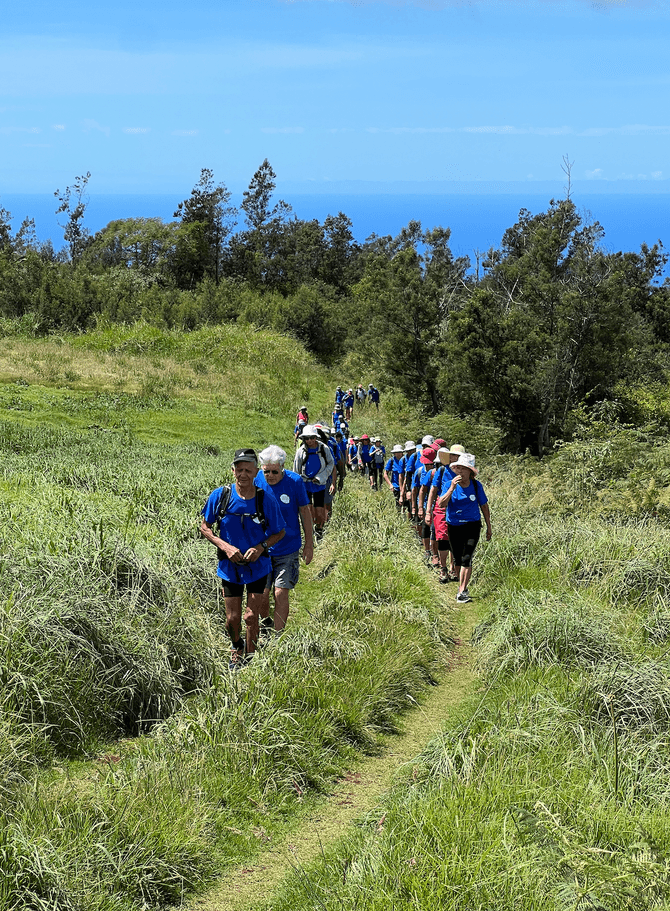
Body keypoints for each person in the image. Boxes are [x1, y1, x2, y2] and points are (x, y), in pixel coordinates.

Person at [200, 448, 286, 669]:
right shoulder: (220, 496)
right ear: (233, 471)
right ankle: (236, 645)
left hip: (258, 567)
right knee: (232, 619)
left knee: (250, 617)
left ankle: (248, 658)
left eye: (248, 470)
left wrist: (261, 547)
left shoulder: (265, 499)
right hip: (229, 568)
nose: (243, 474)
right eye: (239, 470)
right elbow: (205, 527)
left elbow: (279, 532)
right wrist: (225, 546)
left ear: (256, 472)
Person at [255, 445, 314, 634]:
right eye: (266, 472)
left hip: (288, 548)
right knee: (262, 595)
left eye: (275, 471)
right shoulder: (257, 481)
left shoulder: (295, 482)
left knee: (280, 592)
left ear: (283, 467)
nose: (270, 476)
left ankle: (278, 635)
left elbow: (305, 512)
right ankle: (265, 622)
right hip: (262, 549)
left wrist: (309, 544)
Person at [437, 453, 492, 603]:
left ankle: (462, 590)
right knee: (457, 558)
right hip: (454, 525)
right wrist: (452, 488)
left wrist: (488, 526)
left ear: (470, 471)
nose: (460, 471)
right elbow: (441, 504)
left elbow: (484, 506)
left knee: (467, 557)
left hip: (472, 525)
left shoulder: (476, 485)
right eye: (458, 468)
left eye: (464, 469)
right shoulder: (449, 484)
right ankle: (462, 587)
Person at [425, 444, 465, 583]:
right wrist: (427, 511)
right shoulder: (442, 470)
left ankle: (454, 568)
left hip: (459, 508)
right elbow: (433, 491)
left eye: (458, 456)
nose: (455, 458)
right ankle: (443, 569)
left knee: (456, 539)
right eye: (453, 455)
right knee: (442, 538)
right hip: (441, 508)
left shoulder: (466, 472)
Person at [293, 425, 335, 540]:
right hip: (305, 485)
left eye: (312, 437)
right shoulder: (301, 451)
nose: (309, 440)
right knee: (308, 511)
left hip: (319, 485)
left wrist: (321, 477)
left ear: (316, 437)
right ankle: (310, 534)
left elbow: (331, 464)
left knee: (320, 512)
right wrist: (296, 487)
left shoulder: (323, 448)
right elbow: (296, 470)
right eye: (307, 438)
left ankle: (319, 530)